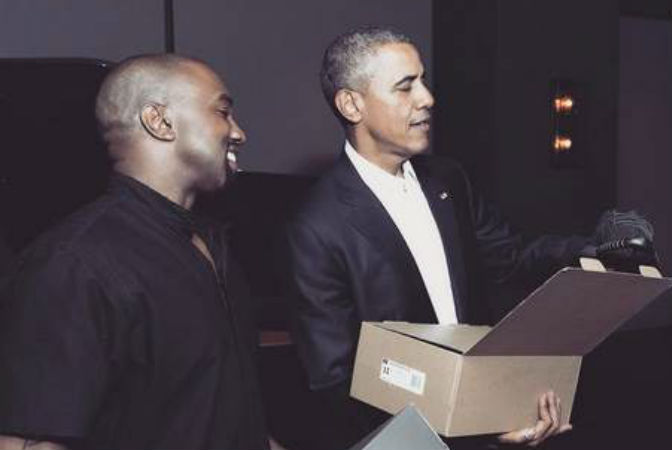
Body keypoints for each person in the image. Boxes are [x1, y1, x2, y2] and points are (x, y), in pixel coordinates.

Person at [285, 27, 591, 449]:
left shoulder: (448, 180)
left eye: (423, 81)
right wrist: (462, 420)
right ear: (352, 104)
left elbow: (511, 257)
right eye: (405, 86)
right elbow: (335, 379)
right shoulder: (316, 226)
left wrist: (594, 249)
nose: (427, 98)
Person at [0, 55, 269, 450]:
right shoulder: (74, 264)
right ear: (159, 121)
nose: (239, 132)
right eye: (223, 112)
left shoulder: (212, 245)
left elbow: (215, 417)